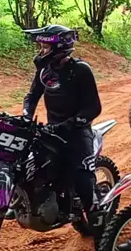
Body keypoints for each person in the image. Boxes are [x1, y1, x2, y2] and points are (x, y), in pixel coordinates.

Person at [19, 24, 102, 229]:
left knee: (82, 175)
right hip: (52, 131)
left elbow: (93, 108)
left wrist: (70, 124)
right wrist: (26, 116)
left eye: (45, 47)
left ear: (59, 48)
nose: (41, 51)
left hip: (78, 132)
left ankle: (98, 218)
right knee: (29, 162)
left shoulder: (81, 70)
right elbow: (32, 97)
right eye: (41, 47)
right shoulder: (45, 71)